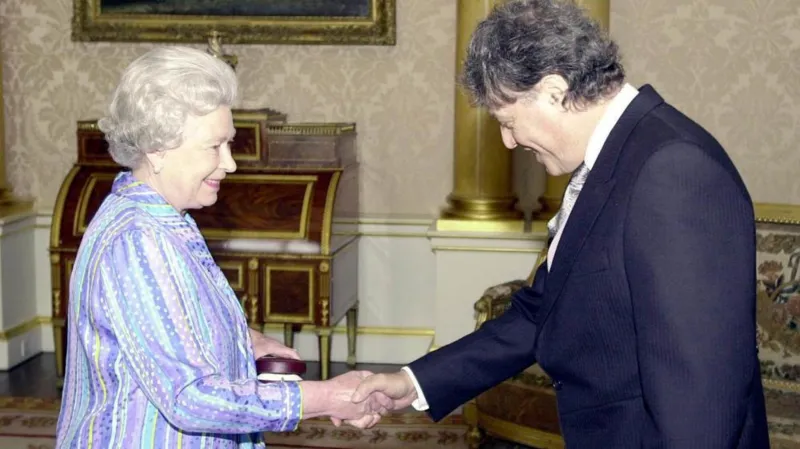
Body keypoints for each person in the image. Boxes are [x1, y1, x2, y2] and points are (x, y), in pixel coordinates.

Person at [351, 0, 770, 447]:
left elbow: (701, 395)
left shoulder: (673, 171)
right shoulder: (609, 160)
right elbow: (540, 312)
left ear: (554, 90)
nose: (507, 141)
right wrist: (412, 382)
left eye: (507, 121)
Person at [55, 46, 386, 448]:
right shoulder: (139, 243)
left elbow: (181, 320)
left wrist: (249, 340)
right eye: (215, 147)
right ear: (158, 148)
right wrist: (327, 397)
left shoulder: (164, 220)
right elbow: (189, 398)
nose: (230, 164)